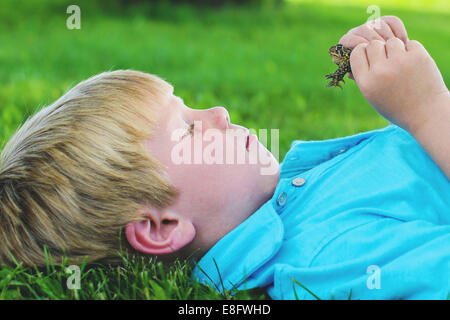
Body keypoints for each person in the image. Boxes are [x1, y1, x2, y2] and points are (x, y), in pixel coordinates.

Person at [0, 16, 448, 299]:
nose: (218, 113)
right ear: (161, 227)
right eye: (189, 129)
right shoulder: (325, 260)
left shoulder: (290, 197)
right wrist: (427, 108)